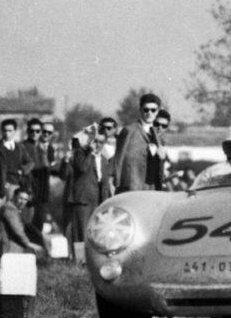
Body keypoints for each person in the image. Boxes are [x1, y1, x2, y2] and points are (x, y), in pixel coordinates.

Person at [62, 126, 113, 256]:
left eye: (101, 142)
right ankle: (80, 260)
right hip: (83, 200)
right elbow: (83, 169)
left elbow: (105, 182)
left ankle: (92, 259)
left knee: (96, 232)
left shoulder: (104, 160)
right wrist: (89, 150)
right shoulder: (81, 153)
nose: (97, 144)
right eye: (95, 141)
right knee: (81, 233)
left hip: (98, 201)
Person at [113, 93, 163, 193]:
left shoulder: (156, 133)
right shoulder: (129, 130)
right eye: (146, 109)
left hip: (152, 187)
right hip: (133, 186)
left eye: (153, 110)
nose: (149, 113)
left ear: (157, 112)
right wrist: (117, 184)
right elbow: (119, 158)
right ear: (140, 110)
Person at [0, 185, 44, 261]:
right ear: (14, 197)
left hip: (4, 244)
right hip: (0, 247)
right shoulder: (10, 208)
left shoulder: (14, 208)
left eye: (25, 200)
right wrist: (29, 244)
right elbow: (17, 229)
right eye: (20, 198)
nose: (22, 202)